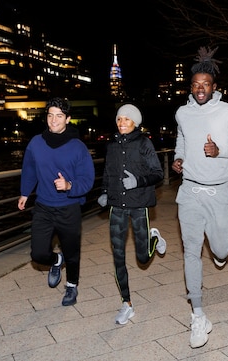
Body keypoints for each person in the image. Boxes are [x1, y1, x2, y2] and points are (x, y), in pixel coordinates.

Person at [171, 46, 228, 348]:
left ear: (214, 87)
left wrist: (220, 150)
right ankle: (198, 316)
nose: (200, 88)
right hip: (189, 191)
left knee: (221, 248)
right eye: (195, 84)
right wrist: (179, 158)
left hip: (218, 192)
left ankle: (218, 253)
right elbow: (181, 138)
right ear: (190, 87)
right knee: (191, 251)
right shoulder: (182, 112)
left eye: (205, 84)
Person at [18, 97, 95, 306]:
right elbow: (30, 169)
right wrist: (25, 193)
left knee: (72, 251)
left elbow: (87, 179)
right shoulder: (36, 142)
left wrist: (69, 186)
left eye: (59, 116)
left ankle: (71, 286)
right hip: (43, 206)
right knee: (38, 253)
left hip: (68, 207)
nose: (54, 120)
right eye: (50, 115)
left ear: (68, 119)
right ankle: (55, 260)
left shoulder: (77, 147)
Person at [97, 104, 167, 325]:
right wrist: (105, 193)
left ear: (135, 122)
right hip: (117, 205)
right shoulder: (112, 147)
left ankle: (153, 238)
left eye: (127, 119)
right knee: (118, 256)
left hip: (138, 205)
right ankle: (126, 303)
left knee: (143, 257)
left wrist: (138, 181)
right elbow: (108, 172)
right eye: (119, 119)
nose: (122, 123)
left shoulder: (144, 143)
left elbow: (158, 173)